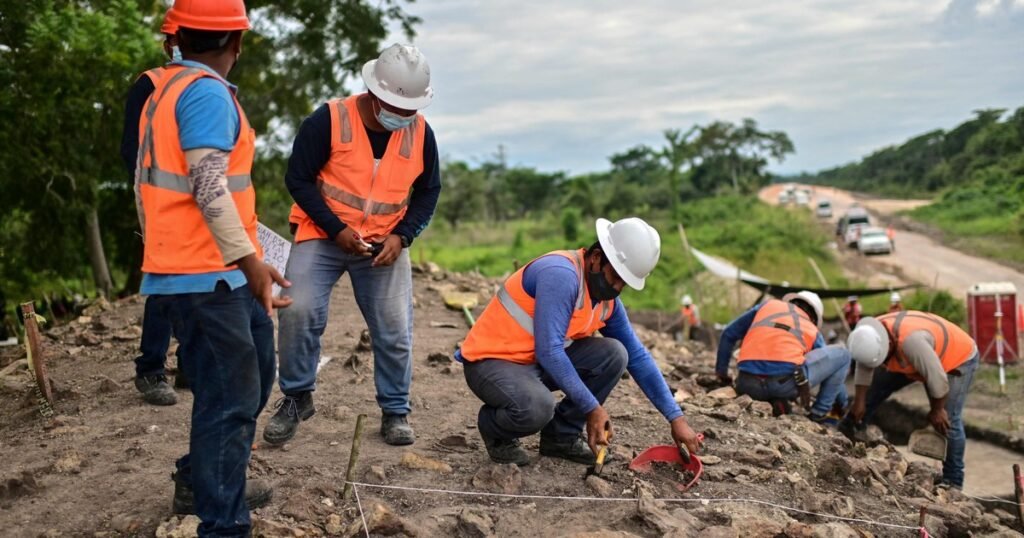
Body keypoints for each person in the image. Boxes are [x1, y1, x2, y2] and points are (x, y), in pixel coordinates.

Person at [134, 0, 287, 532]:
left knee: (254, 377)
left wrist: (251, 261)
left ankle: (199, 478)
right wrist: (253, 265)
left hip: (213, 270)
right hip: (206, 273)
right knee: (230, 398)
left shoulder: (169, 89)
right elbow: (206, 185)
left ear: (180, 37)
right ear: (236, 43)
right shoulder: (203, 93)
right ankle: (223, 524)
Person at [263, 44, 440, 447]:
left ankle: (395, 410)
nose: (404, 116)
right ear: (374, 94)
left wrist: (403, 235)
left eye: (411, 108)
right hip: (322, 235)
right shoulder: (328, 120)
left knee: (395, 329)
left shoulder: (420, 133)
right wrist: (335, 227)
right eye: (396, 105)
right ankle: (296, 397)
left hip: (383, 245)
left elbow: (429, 191)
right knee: (299, 309)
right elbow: (298, 179)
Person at [455, 218, 702, 467]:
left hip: (533, 364)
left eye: (623, 284)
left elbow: (637, 356)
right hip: (492, 363)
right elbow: (549, 351)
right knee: (538, 407)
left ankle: (560, 438)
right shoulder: (561, 275)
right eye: (615, 276)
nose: (616, 287)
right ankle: (495, 429)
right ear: (596, 258)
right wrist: (592, 408)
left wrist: (676, 418)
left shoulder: (607, 301)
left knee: (616, 354)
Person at [121, 10, 186, 406]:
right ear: (168, 45)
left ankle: (190, 367)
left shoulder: (212, 85)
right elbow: (130, 147)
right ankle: (151, 370)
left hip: (203, 199)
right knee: (167, 279)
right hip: (160, 197)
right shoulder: (149, 84)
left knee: (201, 280)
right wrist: (154, 195)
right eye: (179, 40)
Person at [844, 312, 979, 489]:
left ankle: (953, 481)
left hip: (959, 357)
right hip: (919, 356)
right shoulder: (869, 333)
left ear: (888, 346)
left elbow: (938, 380)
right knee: (873, 390)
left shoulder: (912, 343)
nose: (882, 364)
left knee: (949, 420)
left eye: (882, 359)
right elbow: (865, 364)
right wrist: (859, 400)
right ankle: (851, 433)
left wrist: (937, 410)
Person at [716, 291, 851, 422]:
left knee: (771, 378)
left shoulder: (767, 306)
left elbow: (728, 333)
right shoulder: (812, 329)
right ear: (814, 317)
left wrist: (722, 374)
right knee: (843, 354)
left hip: (746, 383)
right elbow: (830, 366)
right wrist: (842, 403)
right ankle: (818, 413)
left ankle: (773, 400)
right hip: (783, 386)